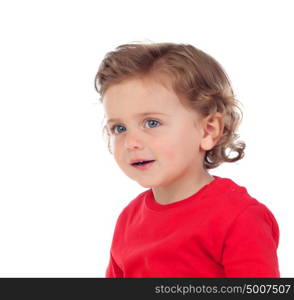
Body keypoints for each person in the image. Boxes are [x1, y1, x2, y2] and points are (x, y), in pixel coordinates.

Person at [94, 41, 280, 278]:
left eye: (152, 123)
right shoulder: (129, 219)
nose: (131, 142)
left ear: (208, 131)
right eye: (119, 128)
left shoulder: (239, 218)